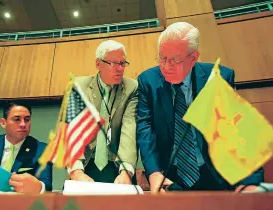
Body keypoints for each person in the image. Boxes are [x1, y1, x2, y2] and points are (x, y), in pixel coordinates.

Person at [137, 22, 264, 193]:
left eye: (175, 60)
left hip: (213, 171)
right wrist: (153, 172)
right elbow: (145, 128)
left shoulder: (219, 77)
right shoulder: (148, 81)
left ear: (193, 57)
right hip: (170, 175)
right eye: (162, 58)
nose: (166, 67)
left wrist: (249, 181)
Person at [67, 40, 138, 184]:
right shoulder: (78, 86)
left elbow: (130, 126)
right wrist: (76, 171)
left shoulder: (132, 87)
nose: (120, 69)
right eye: (113, 63)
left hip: (116, 163)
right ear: (98, 64)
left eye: (122, 63)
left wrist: (126, 171)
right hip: (85, 162)